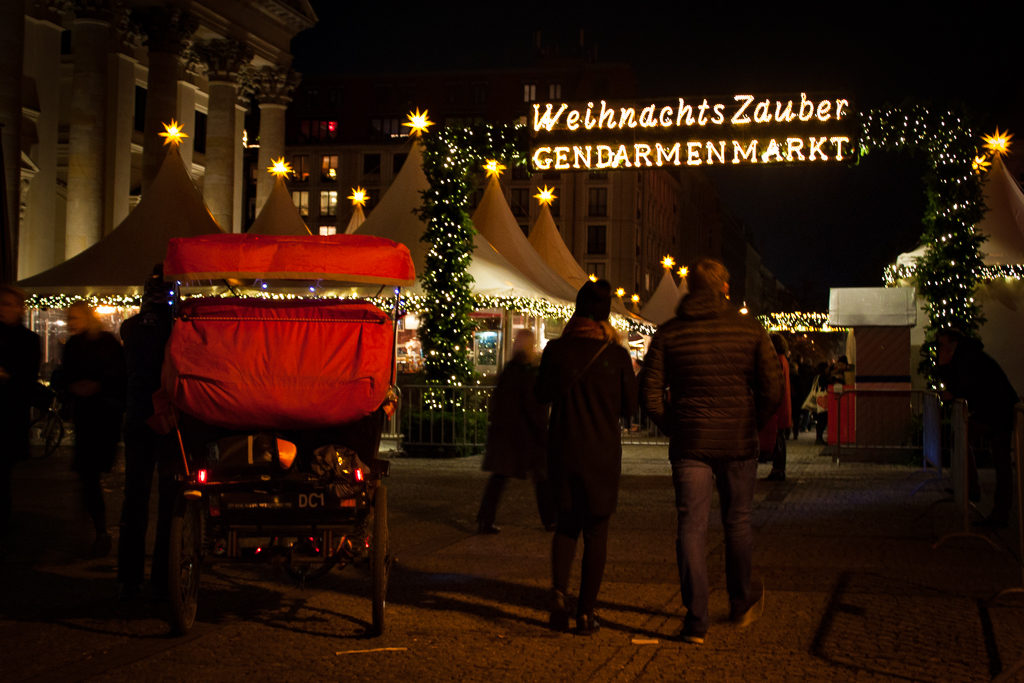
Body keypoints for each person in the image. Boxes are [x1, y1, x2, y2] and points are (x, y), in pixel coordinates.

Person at [640, 259, 782, 645]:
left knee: (691, 526)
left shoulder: (670, 334)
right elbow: (773, 388)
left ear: (690, 290)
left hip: (691, 444)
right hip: (737, 440)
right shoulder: (750, 330)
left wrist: (677, 424)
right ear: (722, 288)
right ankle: (740, 601)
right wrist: (751, 421)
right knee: (737, 521)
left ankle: (696, 619)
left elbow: (650, 395)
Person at [536, 279, 637, 635]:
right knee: (596, 532)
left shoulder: (555, 350)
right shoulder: (616, 356)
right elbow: (630, 408)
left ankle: (559, 595)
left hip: (563, 449)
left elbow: (542, 394)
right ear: (605, 316)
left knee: (566, 527)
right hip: (601, 455)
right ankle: (586, 612)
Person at [51, 302, 126, 557]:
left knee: (89, 474)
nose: (71, 322)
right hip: (91, 415)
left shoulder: (102, 344)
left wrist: (93, 387)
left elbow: (117, 375)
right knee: (88, 475)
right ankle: (96, 528)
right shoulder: (77, 344)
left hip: (102, 416)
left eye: (74, 317)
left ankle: (95, 527)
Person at [118, 268, 175, 598]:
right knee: (169, 500)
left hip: (139, 416)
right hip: (166, 418)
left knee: (134, 498)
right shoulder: (175, 329)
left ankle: (129, 575)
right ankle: (163, 574)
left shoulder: (131, 328)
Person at [934, 328, 1019, 527]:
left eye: (943, 344)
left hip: (996, 410)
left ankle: (995, 508)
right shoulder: (968, 356)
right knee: (993, 456)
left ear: (953, 343)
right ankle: (975, 490)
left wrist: (947, 374)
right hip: (994, 409)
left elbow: (963, 385)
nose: (941, 348)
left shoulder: (967, 358)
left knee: (1000, 461)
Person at [476, 328, 555, 534]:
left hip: (506, 434)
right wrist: (541, 429)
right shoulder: (527, 372)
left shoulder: (510, 369)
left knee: (500, 478)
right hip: (524, 435)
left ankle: (485, 519)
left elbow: (498, 401)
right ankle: (550, 520)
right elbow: (532, 405)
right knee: (540, 477)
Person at [0, 285, 42, 552]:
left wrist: (8, 377)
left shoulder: (27, 340)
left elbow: (27, 377)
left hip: (9, 414)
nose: (4, 310)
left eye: (8, 304)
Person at [760, 334, 792, 481]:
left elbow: (772, 381)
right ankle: (779, 468)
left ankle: (778, 469)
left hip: (777, 406)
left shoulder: (776, 360)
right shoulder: (783, 359)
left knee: (778, 438)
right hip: (782, 404)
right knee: (779, 437)